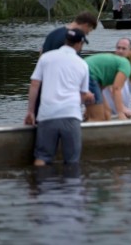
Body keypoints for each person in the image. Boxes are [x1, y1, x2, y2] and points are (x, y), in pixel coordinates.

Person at [24, 29, 94, 166]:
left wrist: (31, 112)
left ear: (66, 40)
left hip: (47, 114)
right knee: (72, 161)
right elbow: (83, 94)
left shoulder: (46, 57)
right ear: (80, 44)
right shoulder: (82, 64)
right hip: (71, 114)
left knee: (42, 157)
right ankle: (72, 186)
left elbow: (34, 84)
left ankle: (40, 184)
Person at [84, 47, 131, 121]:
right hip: (88, 74)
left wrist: (89, 109)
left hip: (88, 73)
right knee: (98, 117)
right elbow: (116, 89)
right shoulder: (126, 66)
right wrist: (121, 112)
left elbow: (101, 87)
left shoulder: (117, 65)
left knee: (107, 112)